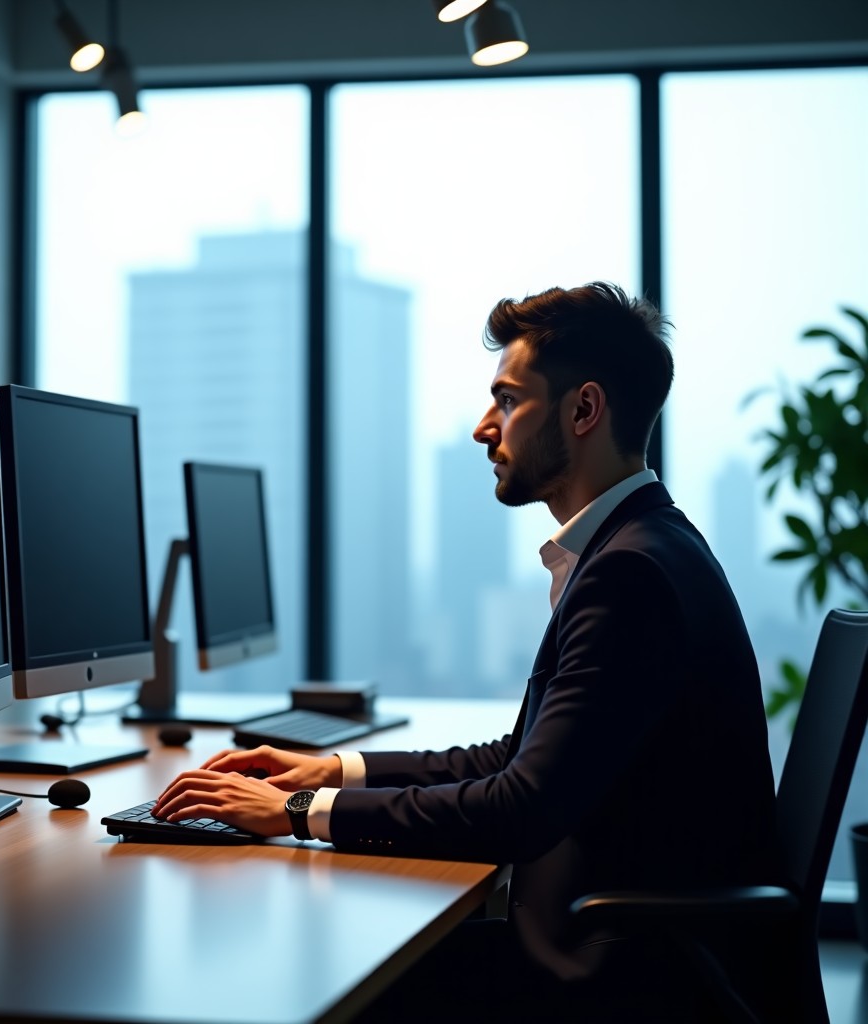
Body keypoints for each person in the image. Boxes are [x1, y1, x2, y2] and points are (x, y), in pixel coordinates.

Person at [153, 282, 779, 1021]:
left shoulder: (629, 575)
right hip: (618, 949)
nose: (486, 426)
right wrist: (332, 770)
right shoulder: (641, 544)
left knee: (314, 987)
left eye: (509, 400)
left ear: (583, 410)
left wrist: (294, 810)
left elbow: (520, 808)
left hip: (621, 981)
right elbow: (520, 758)